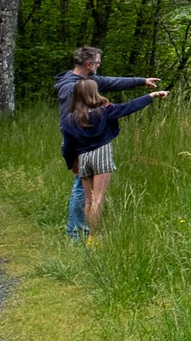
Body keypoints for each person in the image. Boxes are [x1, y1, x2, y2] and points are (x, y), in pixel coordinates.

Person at [53, 47, 157, 239]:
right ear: (89, 65)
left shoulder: (86, 82)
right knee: (82, 190)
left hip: (83, 143)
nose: (99, 66)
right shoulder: (71, 87)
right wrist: (74, 150)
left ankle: (81, 233)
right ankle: (76, 234)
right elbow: (69, 121)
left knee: (84, 190)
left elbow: (113, 82)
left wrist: (142, 81)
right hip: (80, 143)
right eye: (98, 63)